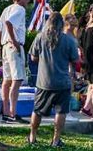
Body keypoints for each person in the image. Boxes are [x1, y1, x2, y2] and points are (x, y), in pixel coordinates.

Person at [28, 13, 79, 147]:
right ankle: (56, 140)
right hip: (62, 82)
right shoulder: (68, 40)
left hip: (43, 82)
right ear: (62, 24)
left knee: (37, 110)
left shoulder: (40, 37)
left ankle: (32, 137)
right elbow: (75, 60)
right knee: (61, 111)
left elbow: (33, 57)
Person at [0, 0, 33, 123]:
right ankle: (12, 113)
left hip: (5, 46)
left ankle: (6, 113)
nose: (28, 2)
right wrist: (16, 42)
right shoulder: (19, 9)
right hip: (14, 46)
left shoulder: (7, 9)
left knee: (7, 80)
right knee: (17, 79)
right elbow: (8, 23)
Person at [78, 5, 93, 120]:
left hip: (88, 61)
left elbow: (82, 46)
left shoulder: (87, 28)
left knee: (92, 86)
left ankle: (87, 108)